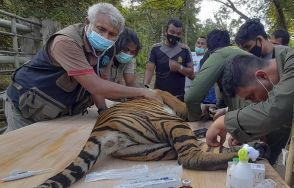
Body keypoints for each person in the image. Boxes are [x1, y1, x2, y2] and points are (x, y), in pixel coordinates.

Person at [4, 3, 161, 133]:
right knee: (20, 157)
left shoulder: (108, 49)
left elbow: (100, 82)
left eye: (112, 33)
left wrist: (103, 112)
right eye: (101, 29)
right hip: (26, 108)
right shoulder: (65, 42)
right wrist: (143, 92)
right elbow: (95, 85)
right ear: (87, 22)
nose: (105, 37)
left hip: (56, 112)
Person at [206, 41, 294, 182]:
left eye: (251, 96)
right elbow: (282, 127)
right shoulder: (291, 91)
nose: (255, 102)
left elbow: (275, 111)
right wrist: (248, 134)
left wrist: (224, 121)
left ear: (262, 76)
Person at [234, 18, 294, 188]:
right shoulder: (253, 61)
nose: (247, 52)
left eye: (248, 46)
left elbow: (284, 101)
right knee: (266, 159)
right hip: (268, 119)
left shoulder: (284, 56)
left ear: (260, 39)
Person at [184, 29, 249, 121]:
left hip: (247, 117)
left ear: (209, 48)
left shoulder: (219, 54)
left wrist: (197, 118)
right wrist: (225, 109)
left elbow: (191, 97)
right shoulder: (240, 52)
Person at [144, 19, 193, 100]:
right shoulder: (156, 48)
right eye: (172, 32)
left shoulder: (185, 50)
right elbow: (149, 70)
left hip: (178, 97)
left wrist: (179, 68)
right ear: (165, 32)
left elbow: (191, 74)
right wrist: (146, 86)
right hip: (159, 96)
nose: (175, 35)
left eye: (178, 34)